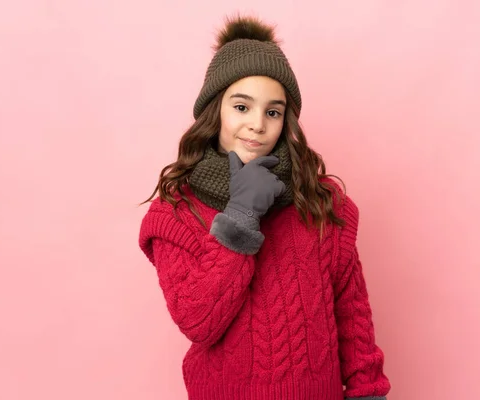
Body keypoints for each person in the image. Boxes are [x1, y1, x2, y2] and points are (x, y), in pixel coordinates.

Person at [139, 14, 391, 400]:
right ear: (215, 111)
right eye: (241, 107)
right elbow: (198, 321)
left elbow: (352, 315)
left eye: (272, 112)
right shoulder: (175, 214)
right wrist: (242, 212)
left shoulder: (321, 203)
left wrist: (368, 392)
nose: (257, 124)